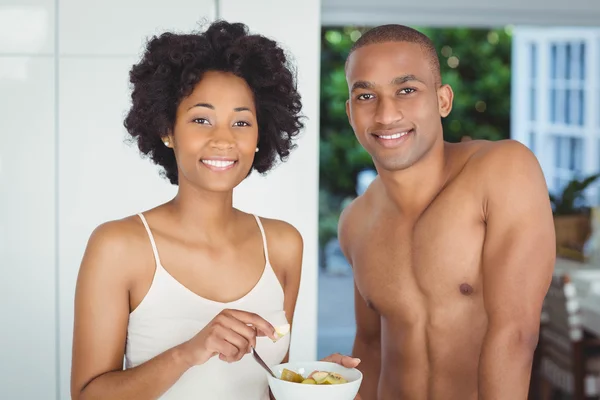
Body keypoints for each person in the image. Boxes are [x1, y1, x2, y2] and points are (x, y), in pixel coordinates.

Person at [70, 20, 357, 400]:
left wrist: (313, 387)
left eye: (241, 121)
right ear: (167, 130)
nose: (223, 139)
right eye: (201, 119)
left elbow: (265, 388)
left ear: (259, 136)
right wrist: (190, 352)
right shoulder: (119, 246)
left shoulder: (284, 245)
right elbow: (87, 394)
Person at [339, 24, 556, 400]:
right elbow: (370, 347)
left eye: (406, 90)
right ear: (350, 112)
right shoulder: (355, 221)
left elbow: (516, 333)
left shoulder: (502, 170)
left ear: (443, 100)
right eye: (365, 96)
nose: (387, 114)